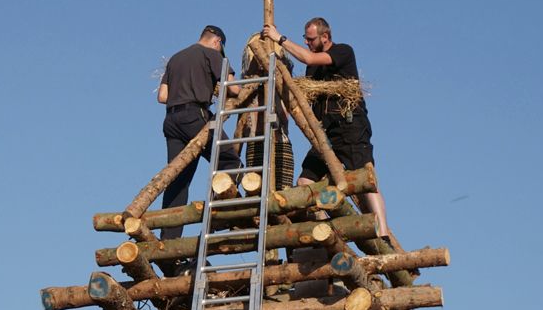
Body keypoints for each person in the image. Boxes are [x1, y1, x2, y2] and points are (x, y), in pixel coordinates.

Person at [262, 18, 390, 238]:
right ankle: (324, 233)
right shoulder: (312, 68)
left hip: (349, 128)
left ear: (325, 37)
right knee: (305, 181)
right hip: (325, 134)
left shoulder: (343, 52)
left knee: (366, 180)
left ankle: (383, 235)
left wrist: (280, 38)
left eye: (311, 39)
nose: (308, 42)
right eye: (305, 39)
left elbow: (308, 56)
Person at [157, 25, 241, 244]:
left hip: (171, 120)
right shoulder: (212, 54)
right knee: (230, 160)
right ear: (217, 42)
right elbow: (234, 89)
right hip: (195, 117)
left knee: (178, 180)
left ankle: (169, 240)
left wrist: (185, 91)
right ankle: (220, 211)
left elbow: (162, 96)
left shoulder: (176, 59)